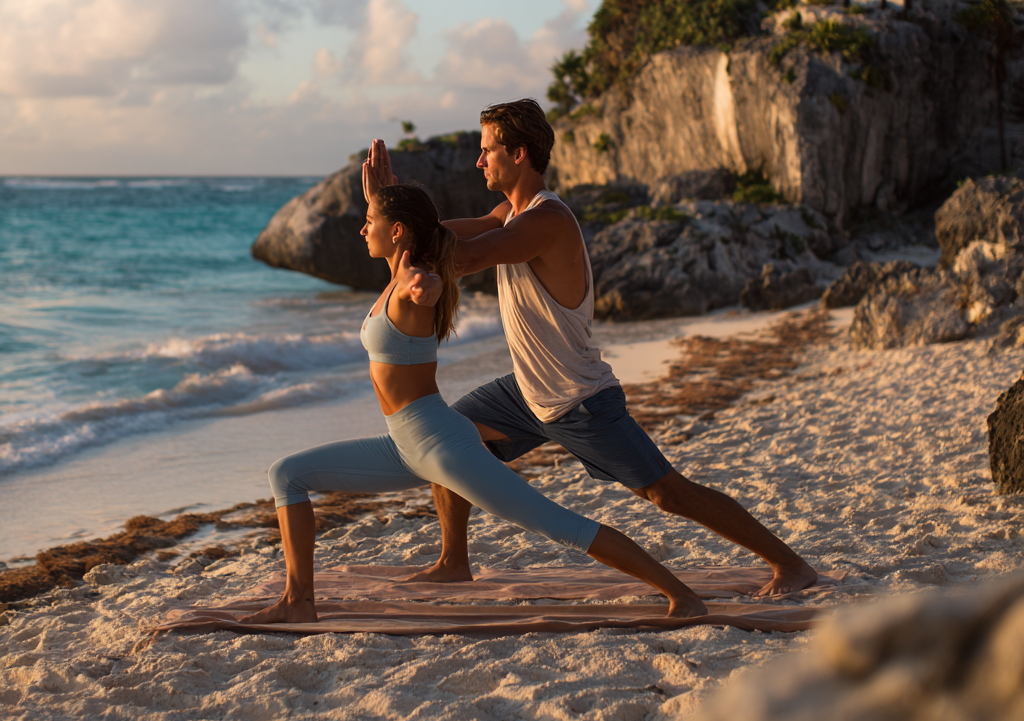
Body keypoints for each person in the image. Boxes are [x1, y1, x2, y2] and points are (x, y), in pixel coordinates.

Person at [362, 99, 818, 597]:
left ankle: (790, 564)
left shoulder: (546, 220)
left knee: (667, 493)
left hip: (577, 397)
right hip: (527, 392)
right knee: (449, 439)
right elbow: (444, 236)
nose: (479, 161)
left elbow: (464, 258)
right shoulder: (509, 213)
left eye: (487, 150)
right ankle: (453, 561)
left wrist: (393, 217)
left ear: (518, 154)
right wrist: (389, 210)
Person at [241, 180, 708, 624]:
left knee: (560, 525)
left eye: (369, 221)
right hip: (404, 444)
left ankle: (682, 594)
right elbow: (420, 249)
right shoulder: (398, 275)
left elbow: (424, 286)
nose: (362, 230)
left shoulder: (416, 281)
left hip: (443, 447)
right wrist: (381, 197)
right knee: (287, 474)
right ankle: (298, 601)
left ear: (397, 231)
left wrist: (427, 289)